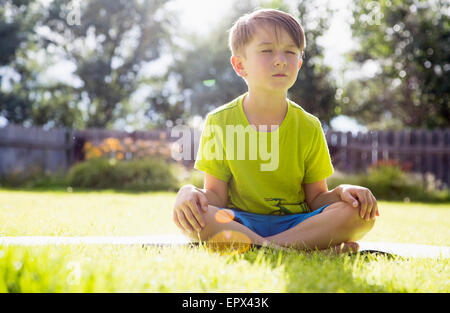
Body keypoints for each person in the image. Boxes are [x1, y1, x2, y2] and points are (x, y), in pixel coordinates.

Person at [173, 8, 379, 254]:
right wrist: (188, 193)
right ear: (240, 65)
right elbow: (215, 195)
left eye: (290, 52)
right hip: (239, 221)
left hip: (297, 223)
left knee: (358, 214)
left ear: (299, 63)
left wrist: (343, 193)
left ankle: (267, 247)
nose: (280, 59)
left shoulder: (309, 126)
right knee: (197, 215)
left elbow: (316, 199)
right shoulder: (219, 121)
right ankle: (303, 249)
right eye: (267, 50)